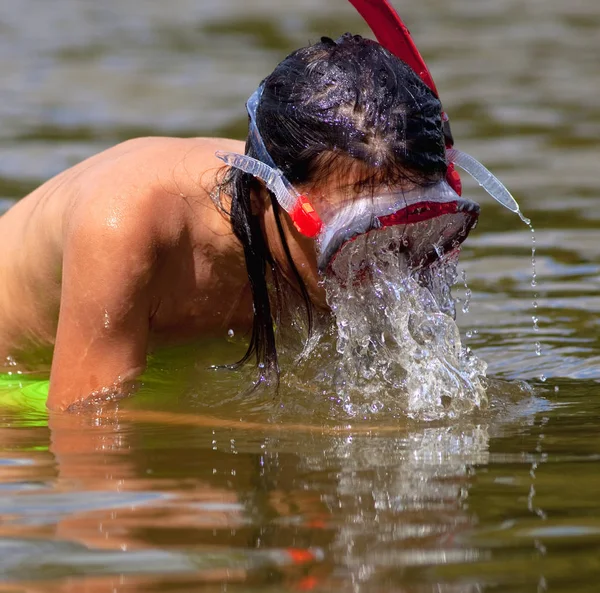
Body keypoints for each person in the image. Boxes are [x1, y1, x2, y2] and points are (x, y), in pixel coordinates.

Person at [0, 33, 479, 412]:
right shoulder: (126, 225)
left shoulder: (324, 195)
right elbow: (85, 434)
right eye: (355, 238)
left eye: (412, 231)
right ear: (258, 197)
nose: (387, 266)